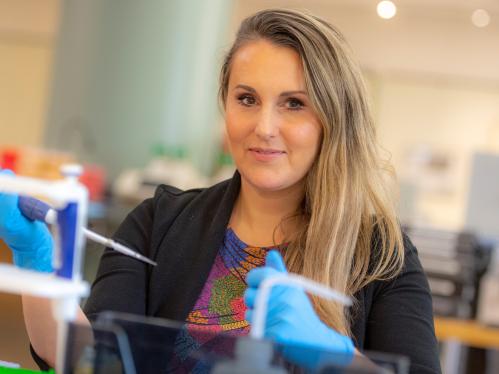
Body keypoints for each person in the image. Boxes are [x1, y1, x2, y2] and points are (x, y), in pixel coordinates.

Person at [0, 8, 440, 373]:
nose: (264, 128)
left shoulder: (382, 257)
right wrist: (40, 266)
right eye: (246, 99)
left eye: (294, 103)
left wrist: (340, 359)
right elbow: (88, 358)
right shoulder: (160, 222)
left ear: (333, 119)